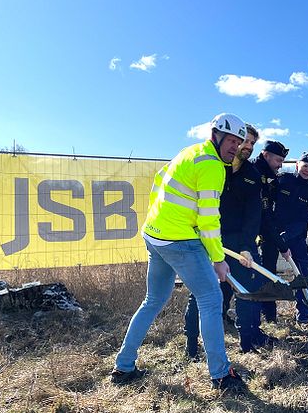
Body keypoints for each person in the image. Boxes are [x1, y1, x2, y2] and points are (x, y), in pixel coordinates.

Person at [111, 113, 246, 391]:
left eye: (239, 143)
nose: (235, 147)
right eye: (231, 140)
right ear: (216, 136)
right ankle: (221, 375)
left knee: (153, 300)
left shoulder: (190, 152)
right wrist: (218, 259)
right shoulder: (212, 167)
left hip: (155, 235)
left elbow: (158, 184)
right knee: (210, 298)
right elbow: (209, 218)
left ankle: (123, 367)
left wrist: (161, 224)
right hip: (180, 240)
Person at [184, 124, 274, 355]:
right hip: (206, 239)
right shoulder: (213, 167)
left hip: (237, 243)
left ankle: (246, 343)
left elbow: (253, 216)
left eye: (253, 143)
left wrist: (246, 246)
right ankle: (192, 346)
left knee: (245, 291)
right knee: (202, 292)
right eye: (244, 140)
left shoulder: (253, 177)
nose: (248, 147)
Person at [273, 152, 308, 323]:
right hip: (273, 233)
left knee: (303, 275)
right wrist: (275, 235)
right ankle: (268, 315)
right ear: (298, 165)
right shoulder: (283, 179)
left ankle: (303, 314)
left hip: (296, 237)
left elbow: (305, 219)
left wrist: (287, 237)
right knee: (266, 272)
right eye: (305, 166)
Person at [253, 140, 291, 323]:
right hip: (249, 231)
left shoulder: (272, 176)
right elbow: (264, 213)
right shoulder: (254, 172)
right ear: (265, 154)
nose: (280, 165)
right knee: (251, 274)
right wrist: (281, 244)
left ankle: (269, 314)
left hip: (266, 232)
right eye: (278, 160)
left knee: (269, 271)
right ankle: (231, 315)